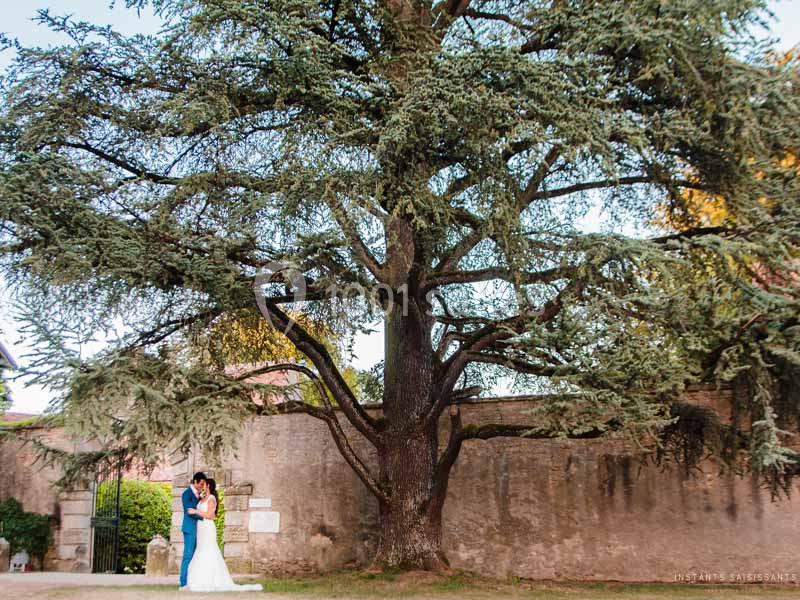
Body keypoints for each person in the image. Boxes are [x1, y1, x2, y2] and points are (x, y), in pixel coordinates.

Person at [186, 478, 262, 592]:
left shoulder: (211, 499)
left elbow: (211, 515)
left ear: (208, 486)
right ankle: (197, 578)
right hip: (200, 528)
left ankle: (210, 580)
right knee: (200, 549)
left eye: (204, 484)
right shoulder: (202, 499)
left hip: (207, 527)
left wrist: (196, 511)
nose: (201, 486)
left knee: (209, 550)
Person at [179, 472, 207, 591]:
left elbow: (195, 509)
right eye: (200, 484)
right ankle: (183, 583)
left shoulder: (198, 494)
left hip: (198, 529)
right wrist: (204, 517)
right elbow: (189, 512)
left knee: (196, 555)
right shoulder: (186, 494)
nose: (202, 486)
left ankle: (193, 580)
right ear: (195, 481)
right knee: (188, 555)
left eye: (203, 485)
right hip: (190, 528)